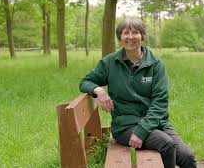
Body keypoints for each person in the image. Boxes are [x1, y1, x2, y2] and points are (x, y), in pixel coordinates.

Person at [79, 18, 196, 168]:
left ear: (142, 36)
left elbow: (160, 102)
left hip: (156, 123)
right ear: (120, 37)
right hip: (125, 126)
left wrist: (141, 131)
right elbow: (85, 82)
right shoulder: (109, 63)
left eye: (135, 32)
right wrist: (98, 90)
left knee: (187, 157)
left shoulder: (156, 65)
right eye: (125, 33)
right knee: (166, 144)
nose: (130, 37)